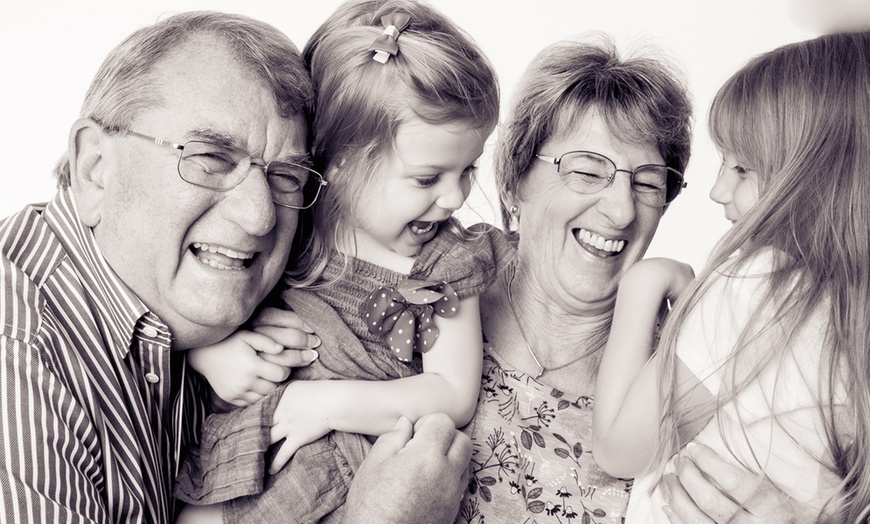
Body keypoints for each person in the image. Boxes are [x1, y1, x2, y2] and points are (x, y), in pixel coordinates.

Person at [0, 11, 472, 524]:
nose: (259, 214)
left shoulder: (183, 298)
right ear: (95, 168)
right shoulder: (20, 355)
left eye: (286, 175)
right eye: (210, 158)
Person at [174, 1, 507, 522]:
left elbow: (453, 393)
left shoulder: (443, 262)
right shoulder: (288, 228)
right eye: (428, 178)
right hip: (245, 452)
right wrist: (210, 355)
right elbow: (202, 306)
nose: (454, 198)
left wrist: (327, 404)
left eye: (468, 169)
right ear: (344, 162)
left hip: (350, 472)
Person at [592, 31, 870, 522]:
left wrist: (642, 284)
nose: (719, 190)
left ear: (820, 177)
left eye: (742, 167)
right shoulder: (853, 317)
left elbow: (619, 448)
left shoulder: (759, 284)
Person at [453, 35, 693, 524]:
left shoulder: (678, 372)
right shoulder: (437, 286)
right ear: (515, 177)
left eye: (648, 182)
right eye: (588, 171)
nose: (623, 209)